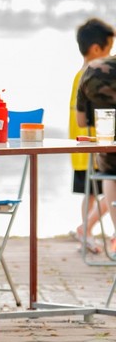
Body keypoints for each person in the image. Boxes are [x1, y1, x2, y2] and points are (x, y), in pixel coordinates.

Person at [69, 18, 114, 253]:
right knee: (94, 190)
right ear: (97, 49)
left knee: (91, 192)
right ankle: (86, 228)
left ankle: (86, 229)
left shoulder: (83, 73)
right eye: (109, 49)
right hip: (91, 146)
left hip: (85, 146)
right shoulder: (91, 74)